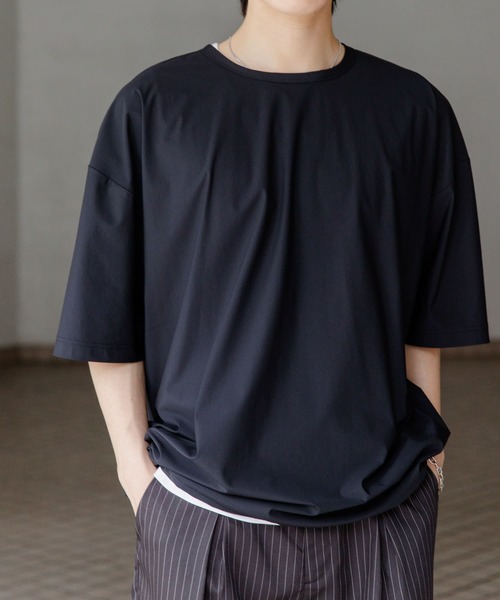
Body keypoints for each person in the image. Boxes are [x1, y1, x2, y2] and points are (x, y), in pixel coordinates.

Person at [53, 0, 490, 598]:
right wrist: (139, 478)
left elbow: (428, 316)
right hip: (198, 507)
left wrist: (430, 470)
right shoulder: (154, 106)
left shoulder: (414, 111)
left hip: (383, 510)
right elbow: (104, 313)